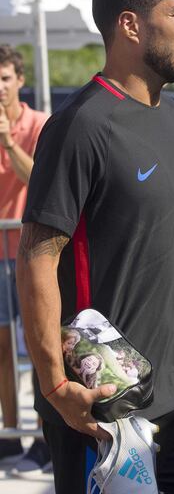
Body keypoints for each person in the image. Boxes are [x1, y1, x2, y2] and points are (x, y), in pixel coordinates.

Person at [16, 0, 174, 494]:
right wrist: (55, 386)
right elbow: (37, 257)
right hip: (102, 407)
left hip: (172, 397)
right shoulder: (81, 124)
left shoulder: (165, 115)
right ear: (130, 25)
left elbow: (164, 236)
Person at [0, 44, 51, 473]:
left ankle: (44, 437)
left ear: (19, 80)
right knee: (0, 348)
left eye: (4, 78)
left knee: (38, 346)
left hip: (29, 251)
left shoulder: (39, 124)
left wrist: (5, 140)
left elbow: (38, 178)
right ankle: (10, 434)